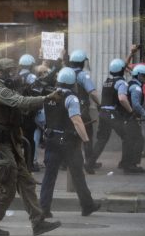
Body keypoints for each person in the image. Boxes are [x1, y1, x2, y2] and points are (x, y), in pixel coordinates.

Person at [0, 58, 62, 236]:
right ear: (0, 74)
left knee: (26, 182)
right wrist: (47, 98)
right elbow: (21, 102)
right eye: (11, 72)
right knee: (7, 188)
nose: (14, 75)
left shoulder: (1, 87)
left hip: (10, 143)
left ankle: (38, 222)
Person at [39, 67, 100, 217]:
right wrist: (86, 140)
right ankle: (87, 205)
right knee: (78, 175)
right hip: (68, 143)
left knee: (49, 176)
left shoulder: (50, 96)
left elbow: (41, 118)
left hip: (52, 140)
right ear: (73, 83)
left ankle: (43, 209)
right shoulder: (71, 98)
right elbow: (77, 121)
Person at [85, 59, 135, 173]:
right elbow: (122, 99)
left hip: (103, 113)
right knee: (127, 136)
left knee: (102, 139)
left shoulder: (107, 82)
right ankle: (127, 165)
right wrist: (131, 111)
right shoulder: (121, 83)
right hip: (112, 114)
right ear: (122, 70)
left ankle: (89, 164)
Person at [68, 50, 101, 173]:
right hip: (82, 109)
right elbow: (92, 92)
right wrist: (99, 103)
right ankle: (89, 162)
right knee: (87, 135)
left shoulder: (66, 73)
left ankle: (65, 162)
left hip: (68, 109)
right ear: (82, 63)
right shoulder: (83, 75)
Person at [125, 65, 145, 173]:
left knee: (131, 140)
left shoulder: (131, 84)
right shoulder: (136, 88)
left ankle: (127, 164)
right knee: (138, 140)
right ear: (140, 76)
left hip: (128, 118)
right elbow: (136, 105)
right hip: (131, 118)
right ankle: (132, 165)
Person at [18, 54, 40, 172]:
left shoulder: (16, 76)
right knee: (29, 139)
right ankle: (29, 164)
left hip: (17, 111)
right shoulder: (32, 77)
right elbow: (37, 93)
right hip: (28, 112)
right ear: (31, 65)